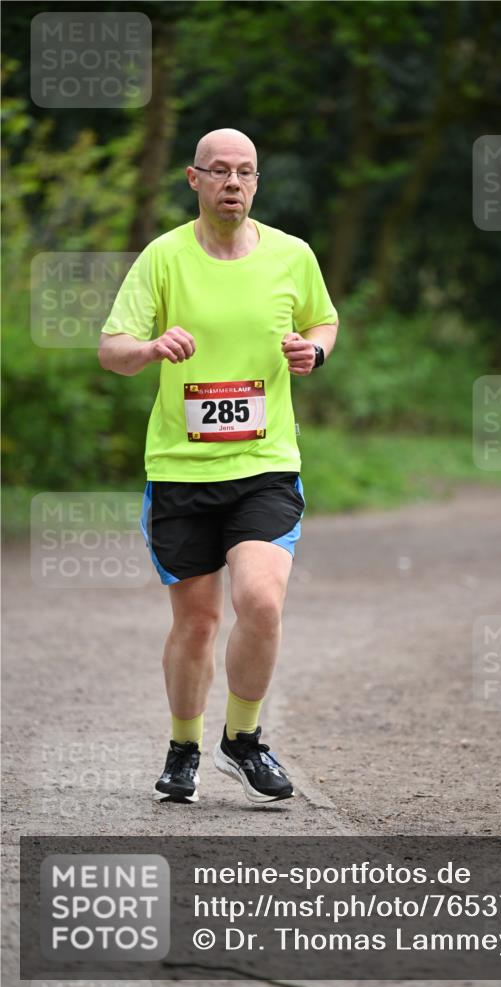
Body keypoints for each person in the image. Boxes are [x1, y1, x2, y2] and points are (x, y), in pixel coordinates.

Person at [98, 128, 338, 805]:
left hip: (265, 463)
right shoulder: (163, 258)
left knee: (260, 600)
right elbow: (111, 348)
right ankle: (183, 747)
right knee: (198, 621)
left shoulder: (292, 255)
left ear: (256, 183)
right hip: (180, 469)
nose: (233, 182)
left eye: (246, 172)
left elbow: (324, 321)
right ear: (194, 179)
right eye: (220, 171)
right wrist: (149, 348)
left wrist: (312, 353)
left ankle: (244, 738)